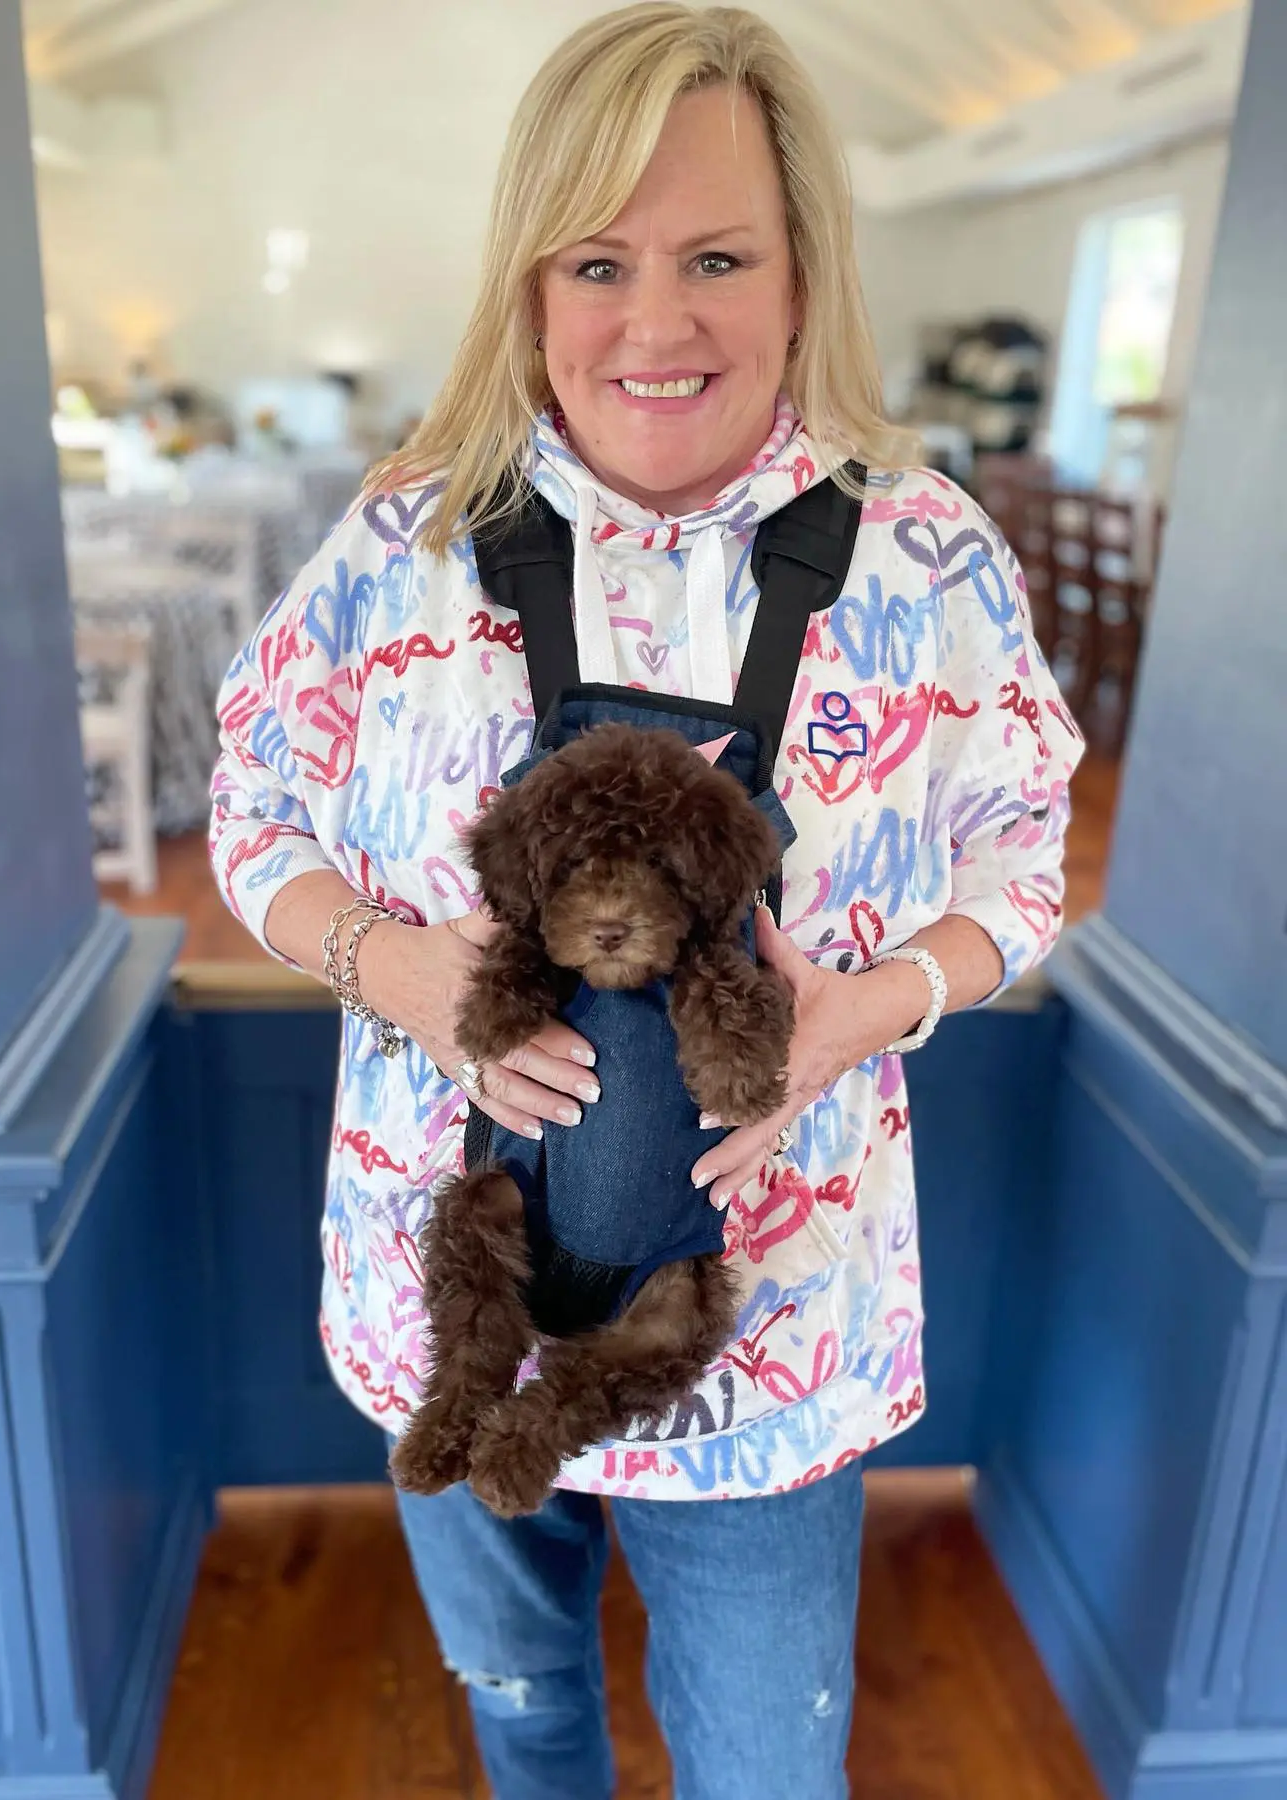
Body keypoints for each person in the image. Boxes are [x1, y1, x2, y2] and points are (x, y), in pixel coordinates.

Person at [209, 6, 1083, 1795]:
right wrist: (394, 965)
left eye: (717, 259)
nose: (657, 322)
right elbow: (254, 812)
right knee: (522, 1713)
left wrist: (865, 1010)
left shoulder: (924, 553)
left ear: (800, 271)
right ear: (532, 281)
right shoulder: (401, 538)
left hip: (776, 1323)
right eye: (599, 262)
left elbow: (1025, 859)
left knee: (766, 1761)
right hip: (456, 1298)